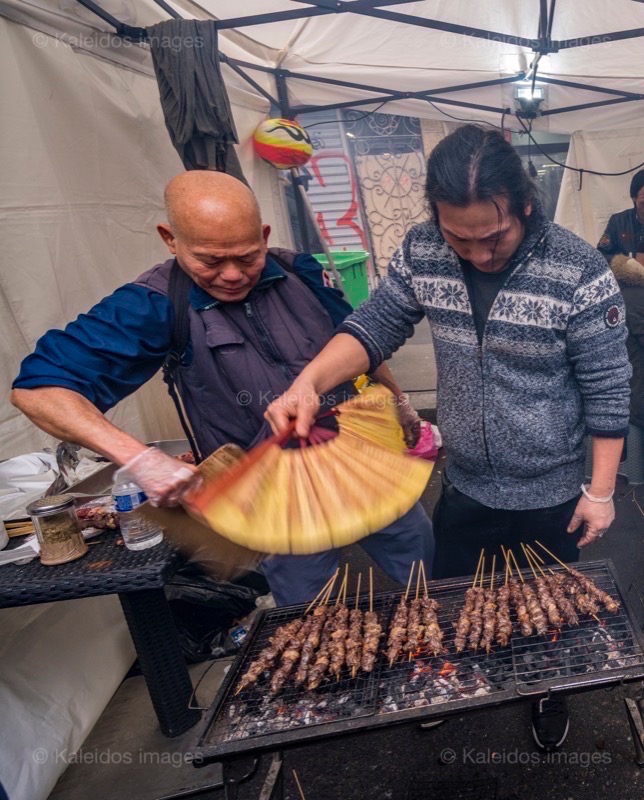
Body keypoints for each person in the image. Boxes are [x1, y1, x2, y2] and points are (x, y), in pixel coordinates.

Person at [265, 125, 631, 750]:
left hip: (550, 486)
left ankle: (545, 691)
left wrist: (599, 491)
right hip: (464, 479)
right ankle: (449, 677)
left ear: (523, 205)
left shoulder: (577, 268)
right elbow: (375, 325)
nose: (477, 254)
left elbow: (608, 385)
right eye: (459, 238)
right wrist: (307, 383)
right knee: (455, 600)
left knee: (546, 602)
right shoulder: (424, 250)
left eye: (493, 237)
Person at [11, 171, 433, 607]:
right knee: (309, 616)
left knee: (423, 570)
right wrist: (140, 459)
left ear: (264, 236)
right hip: (276, 494)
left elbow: (361, 341)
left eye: (248, 257)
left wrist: (402, 405)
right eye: (210, 261)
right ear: (170, 239)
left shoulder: (300, 271)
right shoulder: (152, 304)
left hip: (363, 462)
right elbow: (37, 390)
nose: (232, 275)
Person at [597, 169, 644, 262]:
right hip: (628, 275)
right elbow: (601, 254)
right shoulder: (618, 222)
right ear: (634, 197)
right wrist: (628, 262)